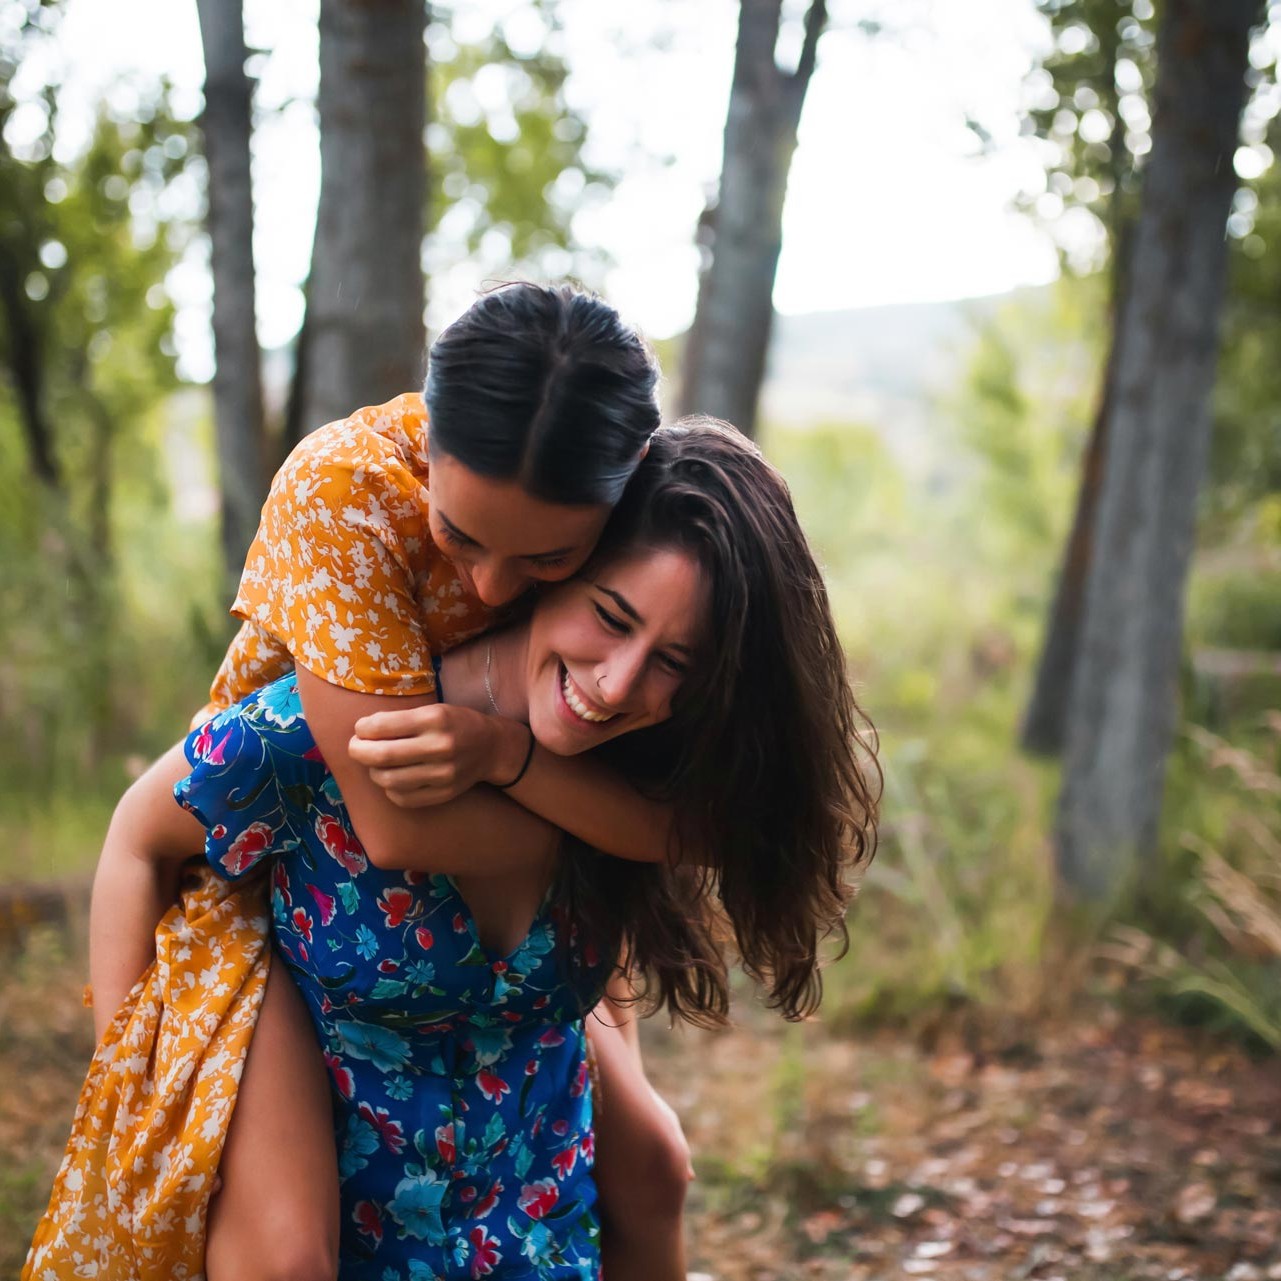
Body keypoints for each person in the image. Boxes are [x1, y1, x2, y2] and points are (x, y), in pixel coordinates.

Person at [29, 421, 878, 1280]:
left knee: (656, 1163)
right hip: (339, 1218)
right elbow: (138, 840)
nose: (616, 683)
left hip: (531, 1214)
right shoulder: (350, 729)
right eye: (610, 617)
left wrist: (514, 764)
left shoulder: (636, 773)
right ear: (554, 569)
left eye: (674, 662)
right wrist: (142, 1110)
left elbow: (602, 937)